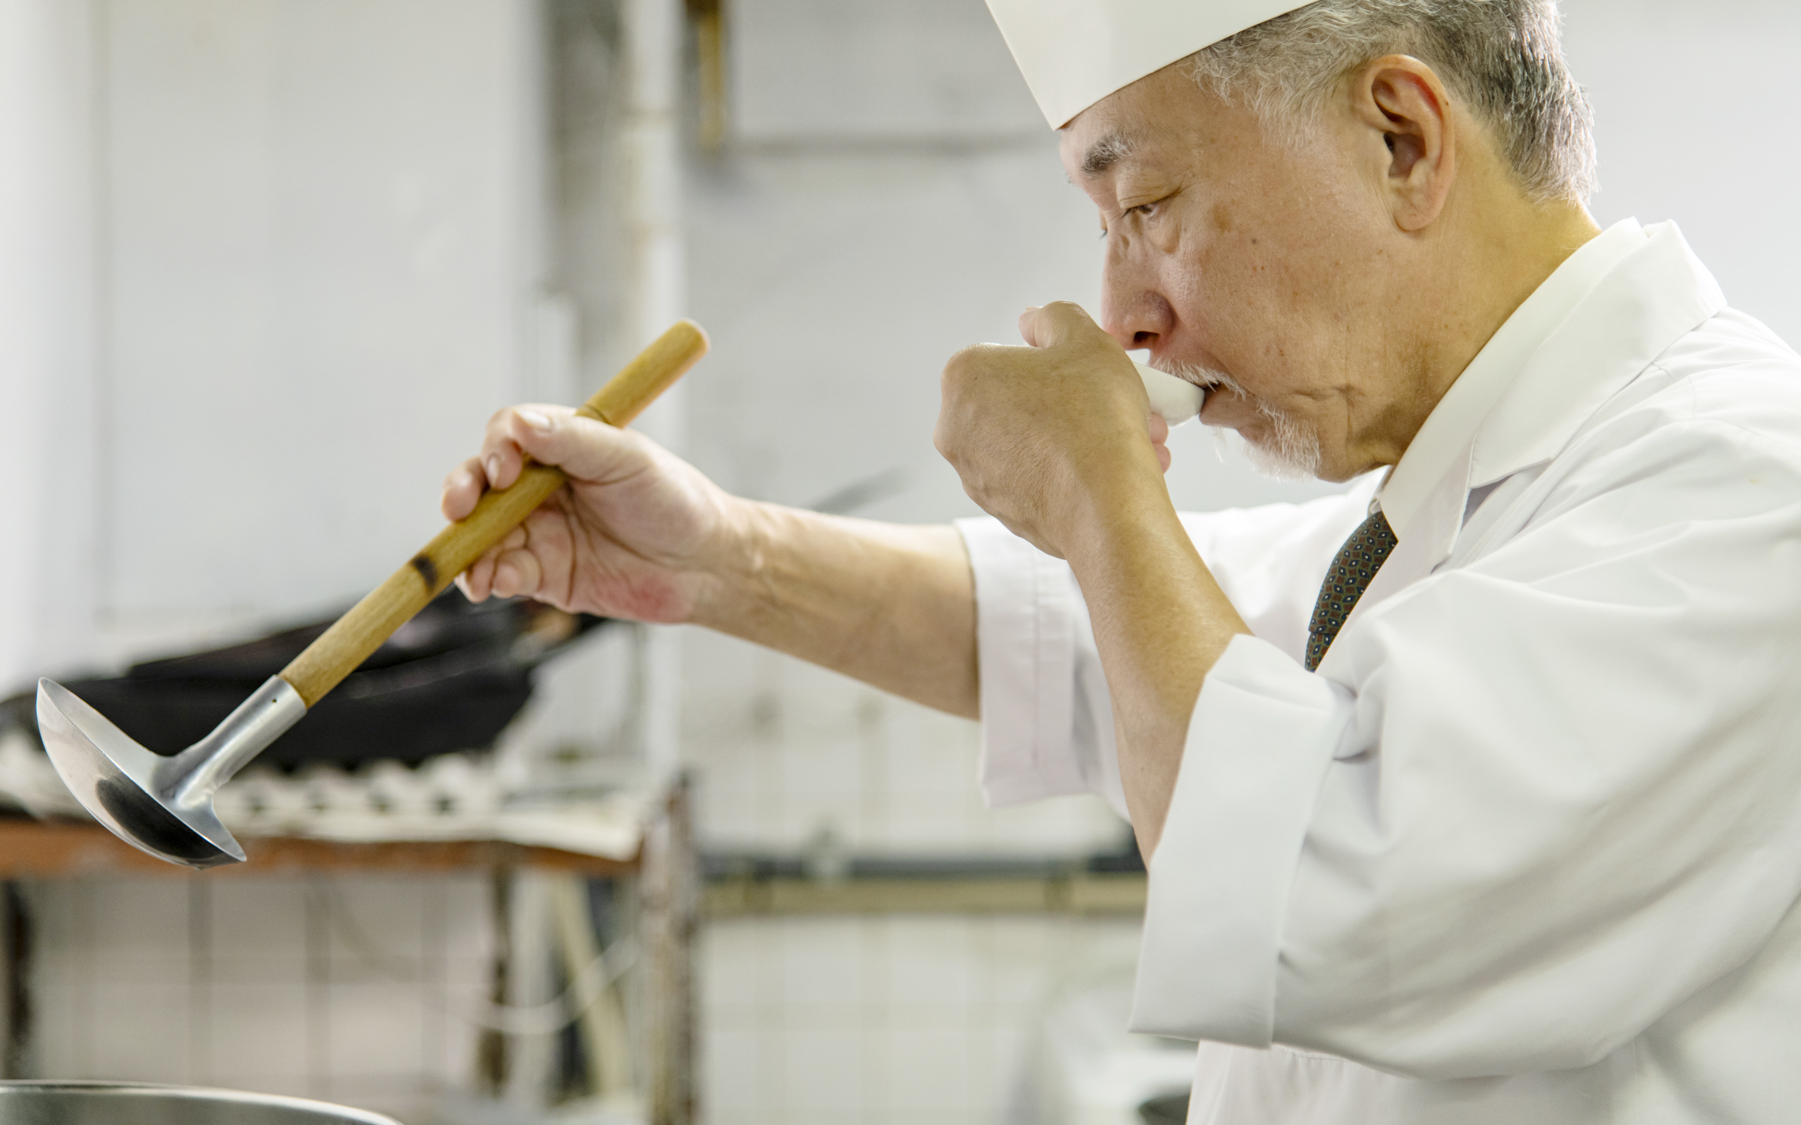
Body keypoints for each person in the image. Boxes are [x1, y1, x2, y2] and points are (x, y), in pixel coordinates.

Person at [442, 0, 1801, 1120]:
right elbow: (1078, 642)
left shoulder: (1741, 491)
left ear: (1401, 140)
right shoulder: (1461, 503)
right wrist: (711, 558)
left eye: (1147, 203)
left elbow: (1309, 883)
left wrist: (1100, 488)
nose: (1123, 313)